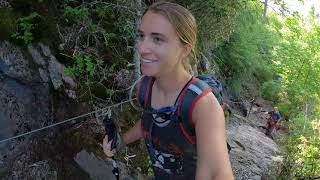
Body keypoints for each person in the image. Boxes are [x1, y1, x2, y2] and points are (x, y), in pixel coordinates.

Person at [103, 2, 234, 179]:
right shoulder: (145, 88)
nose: (142, 48)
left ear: (185, 49)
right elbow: (148, 123)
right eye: (141, 36)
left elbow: (217, 174)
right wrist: (120, 142)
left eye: (157, 39)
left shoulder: (203, 106)